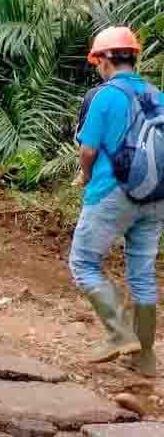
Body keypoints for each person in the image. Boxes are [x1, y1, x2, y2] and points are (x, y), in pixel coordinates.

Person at [70, 26, 160, 376]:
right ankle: (145, 360)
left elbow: (88, 148)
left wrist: (86, 175)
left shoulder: (105, 96)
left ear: (105, 59)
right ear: (134, 57)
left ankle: (119, 334)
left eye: (97, 61)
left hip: (113, 193)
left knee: (83, 263)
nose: (97, 67)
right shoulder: (158, 95)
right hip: (156, 197)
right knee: (142, 274)